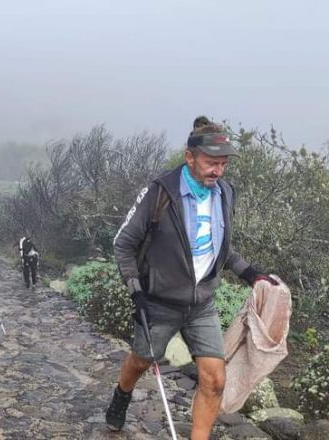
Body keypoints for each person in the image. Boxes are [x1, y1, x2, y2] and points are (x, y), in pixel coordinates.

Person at [108, 124, 278, 439]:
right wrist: (135, 291)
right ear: (189, 157)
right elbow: (124, 243)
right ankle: (122, 393)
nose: (218, 170)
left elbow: (219, 247)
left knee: (214, 380)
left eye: (224, 163)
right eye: (211, 161)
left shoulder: (225, 193)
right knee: (140, 361)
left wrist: (250, 273)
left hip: (202, 305)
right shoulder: (160, 192)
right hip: (158, 302)